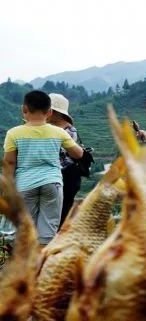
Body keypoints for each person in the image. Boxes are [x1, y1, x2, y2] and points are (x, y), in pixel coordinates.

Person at [2, 90, 85, 244]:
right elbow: (79, 154)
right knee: (48, 232)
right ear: (49, 112)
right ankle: (43, 265)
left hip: (25, 185)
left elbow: (9, 163)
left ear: (24, 109)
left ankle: (28, 265)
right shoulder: (59, 132)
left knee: (27, 231)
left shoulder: (13, 133)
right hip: (52, 184)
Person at [46, 94, 82, 226]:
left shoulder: (69, 131)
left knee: (62, 215)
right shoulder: (51, 128)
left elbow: (57, 155)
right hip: (54, 177)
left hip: (67, 176)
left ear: (55, 113)